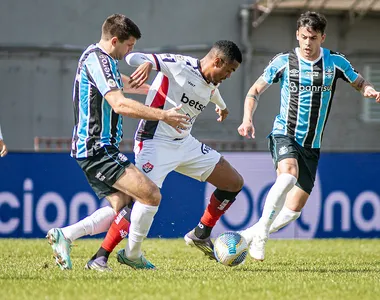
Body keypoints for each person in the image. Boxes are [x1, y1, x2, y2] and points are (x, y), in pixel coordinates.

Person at [52, 40, 244, 272]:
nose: (229, 76)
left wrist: (222, 107)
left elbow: (212, 92)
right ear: (217, 61)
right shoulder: (180, 65)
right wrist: (146, 64)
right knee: (138, 201)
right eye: (229, 71)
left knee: (233, 182)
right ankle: (104, 256)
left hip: (185, 144)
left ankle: (201, 233)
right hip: (154, 143)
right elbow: (135, 59)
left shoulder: (211, 82)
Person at [46, 13, 190, 271]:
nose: (131, 51)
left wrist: (149, 89)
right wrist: (164, 115)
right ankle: (129, 256)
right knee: (150, 195)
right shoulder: (98, 60)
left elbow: (115, 83)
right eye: (129, 45)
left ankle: (67, 237)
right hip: (96, 148)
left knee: (123, 206)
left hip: (94, 148)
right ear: (115, 40)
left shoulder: (98, 57)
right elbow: (119, 103)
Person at [237, 11, 380, 261]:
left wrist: (368, 89)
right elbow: (255, 90)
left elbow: (359, 82)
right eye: (303, 37)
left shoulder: (335, 62)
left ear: (322, 38)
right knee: (287, 177)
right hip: (285, 133)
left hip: (312, 145)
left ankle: (251, 234)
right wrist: (247, 118)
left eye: (312, 38)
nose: (307, 43)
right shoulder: (284, 61)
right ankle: (260, 238)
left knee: (293, 210)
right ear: (297, 35)